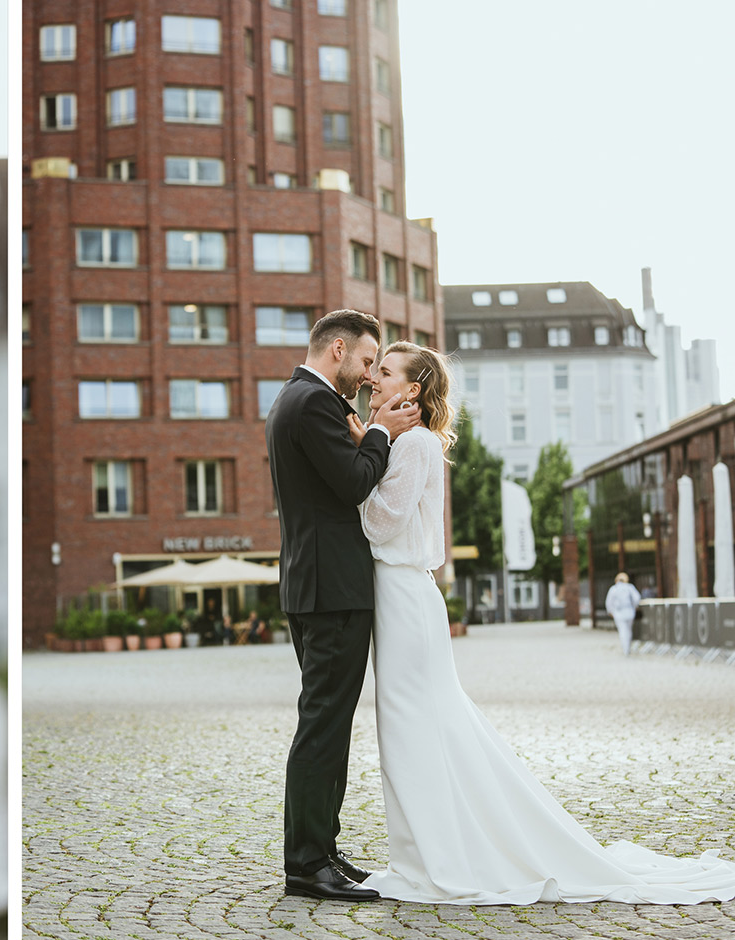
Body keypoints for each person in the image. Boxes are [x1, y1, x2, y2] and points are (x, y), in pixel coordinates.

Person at [354, 341, 735, 904]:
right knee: (424, 726)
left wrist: (366, 462)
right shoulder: (417, 442)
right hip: (407, 599)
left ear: (412, 389)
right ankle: (433, 849)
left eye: (384, 373)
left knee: (411, 728)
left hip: (404, 598)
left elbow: (382, 525)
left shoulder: (409, 443)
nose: (373, 381)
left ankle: (434, 858)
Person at [263, 309, 422, 901]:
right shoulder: (312, 403)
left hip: (318, 585)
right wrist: (381, 430)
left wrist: (368, 427)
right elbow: (355, 482)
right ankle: (306, 863)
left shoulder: (298, 399)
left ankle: (322, 847)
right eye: (363, 360)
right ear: (336, 348)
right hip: (331, 591)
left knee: (327, 722)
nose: (366, 373)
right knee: (322, 726)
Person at [605, 573, 642, 655]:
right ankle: (628, 647)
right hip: (629, 611)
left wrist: (610, 611)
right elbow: (637, 598)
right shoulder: (630, 587)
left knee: (622, 630)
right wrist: (634, 607)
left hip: (619, 613)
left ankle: (625, 648)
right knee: (628, 630)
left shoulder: (613, 589)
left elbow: (609, 602)